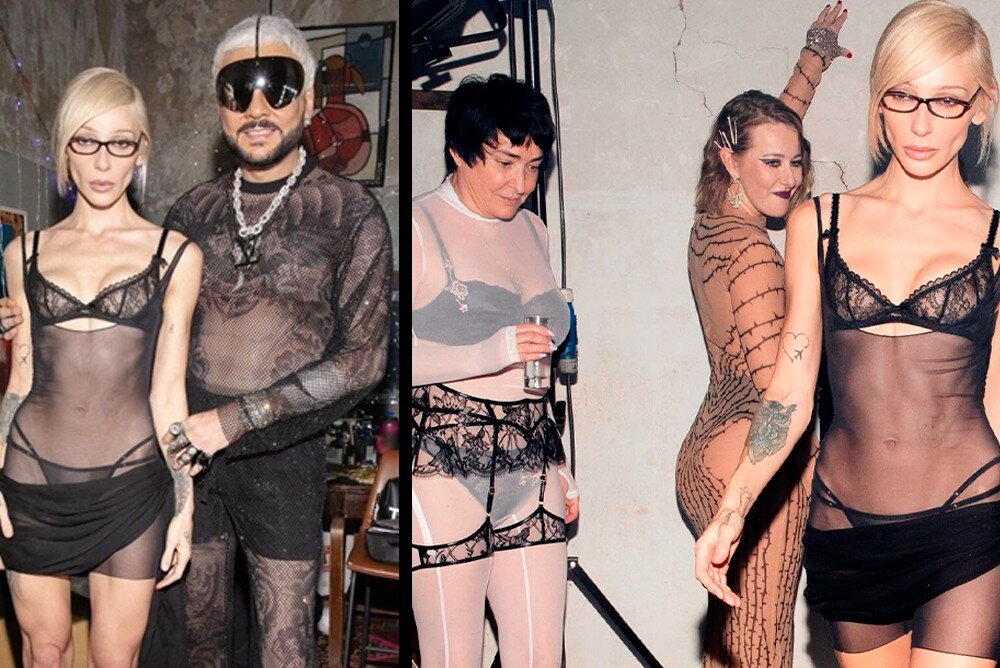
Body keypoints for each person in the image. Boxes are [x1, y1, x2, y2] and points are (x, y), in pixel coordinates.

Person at [695, 1, 1000, 666]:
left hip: (970, 519)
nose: (921, 123)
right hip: (846, 525)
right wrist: (733, 507)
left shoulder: (996, 239)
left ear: (980, 106)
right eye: (902, 96)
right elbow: (790, 391)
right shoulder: (817, 222)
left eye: (947, 101)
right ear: (878, 97)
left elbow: (997, 403)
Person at [0, 67, 200, 667]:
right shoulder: (24, 252)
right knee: (44, 651)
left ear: (141, 151)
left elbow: (169, 394)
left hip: (132, 481)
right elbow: (20, 381)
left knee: (116, 657)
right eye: (86, 141)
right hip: (32, 475)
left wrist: (185, 503)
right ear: (66, 148)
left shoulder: (176, 254)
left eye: (120, 142)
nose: (103, 161)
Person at [678, 5, 849, 666]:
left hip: (707, 447)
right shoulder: (753, 254)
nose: (788, 177)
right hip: (759, 457)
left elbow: (768, 126)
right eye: (773, 163)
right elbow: (775, 382)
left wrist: (814, 58)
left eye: (796, 163)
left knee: (729, 646)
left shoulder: (713, 222)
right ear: (731, 160)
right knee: (761, 646)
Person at [411, 73, 579, 668]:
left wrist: (559, 463)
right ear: (459, 152)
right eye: (506, 163)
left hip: (532, 449)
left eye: (533, 166)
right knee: (452, 657)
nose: (521, 183)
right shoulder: (419, 225)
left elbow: (539, 369)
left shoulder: (533, 228)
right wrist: (491, 350)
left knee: (539, 657)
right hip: (443, 450)